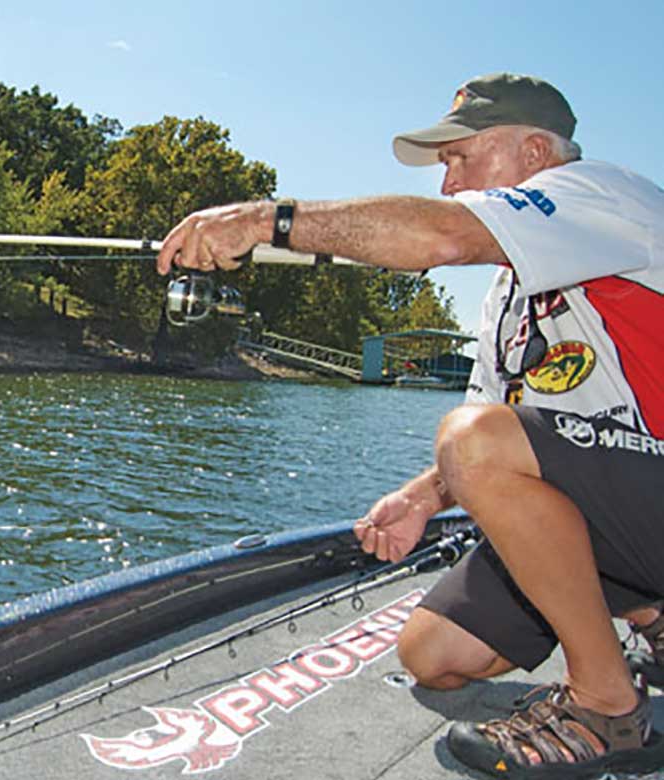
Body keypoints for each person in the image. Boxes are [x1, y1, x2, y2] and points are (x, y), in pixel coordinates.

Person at [156, 72, 664, 778]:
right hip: (620, 511)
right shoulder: (509, 296)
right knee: (433, 656)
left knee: (471, 437)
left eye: (461, 158)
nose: (448, 184)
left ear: (537, 153)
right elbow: (506, 432)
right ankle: (648, 615)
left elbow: (443, 238)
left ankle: (608, 707)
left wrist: (262, 221)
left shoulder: (605, 195)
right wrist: (422, 497)